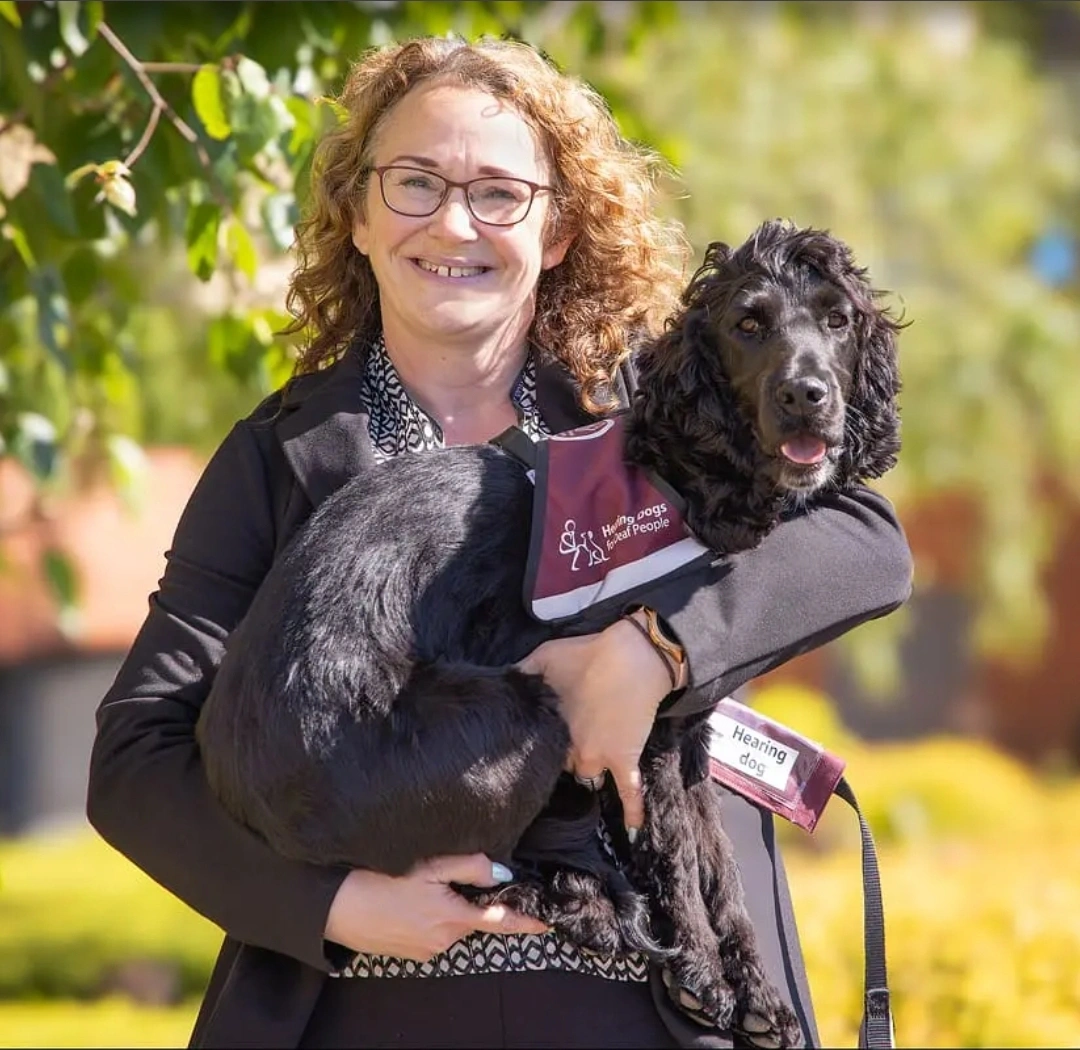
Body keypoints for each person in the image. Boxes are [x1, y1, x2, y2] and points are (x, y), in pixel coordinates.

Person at [86, 35, 912, 1050]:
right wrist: (336, 907)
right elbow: (135, 760)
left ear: (557, 230)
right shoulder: (275, 458)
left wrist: (656, 649)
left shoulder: (653, 415)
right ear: (356, 213)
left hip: (647, 998)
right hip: (365, 1005)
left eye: (499, 193)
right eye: (415, 182)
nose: (453, 221)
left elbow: (866, 537)